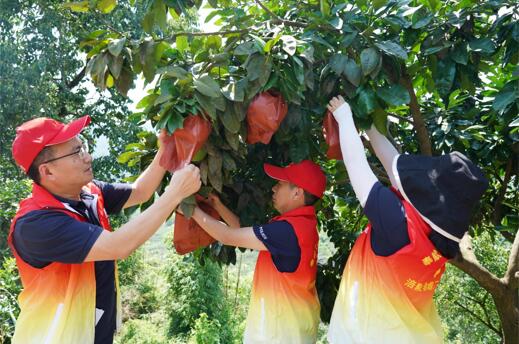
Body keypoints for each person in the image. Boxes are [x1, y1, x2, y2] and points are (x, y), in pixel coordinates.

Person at [8, 115, 201, 344]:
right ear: (47, 171)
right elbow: (118, 246)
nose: (87, 156)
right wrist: (174, 194)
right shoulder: (36, 224)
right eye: (75, 152)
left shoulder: (89, 192)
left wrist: (166, 148)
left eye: (83, 146)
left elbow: (140, 192)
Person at [325, 96, 488, 343]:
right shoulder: (435, 241)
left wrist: (345, 116)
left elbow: (358, 167)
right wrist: (368, 121)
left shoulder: (397, 224)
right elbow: (394, 167)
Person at [187, 160, 326, 344]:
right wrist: (217, 205)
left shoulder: (286, 231)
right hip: (294, 330)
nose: (274, 189)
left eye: (280, 184)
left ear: (297, 192)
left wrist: (186, 205)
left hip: (279, 335)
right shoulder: (301, 225)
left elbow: (227, 236)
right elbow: (241, 231)